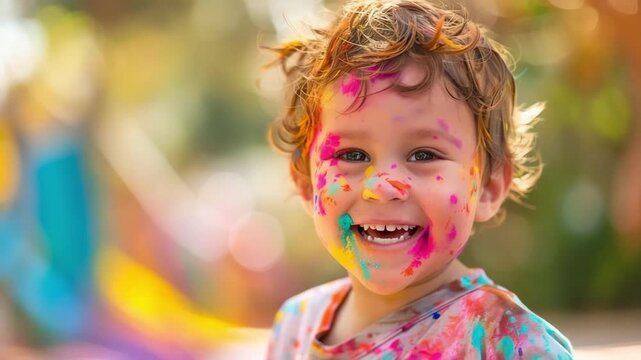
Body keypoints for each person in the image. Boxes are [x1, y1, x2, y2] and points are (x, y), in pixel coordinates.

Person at [265, 0, 573, 358]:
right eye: (352, 155)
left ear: (488, 186)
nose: (381, 186)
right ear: (307, 183)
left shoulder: (509, 344)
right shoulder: (295, 326)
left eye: (424, 155)